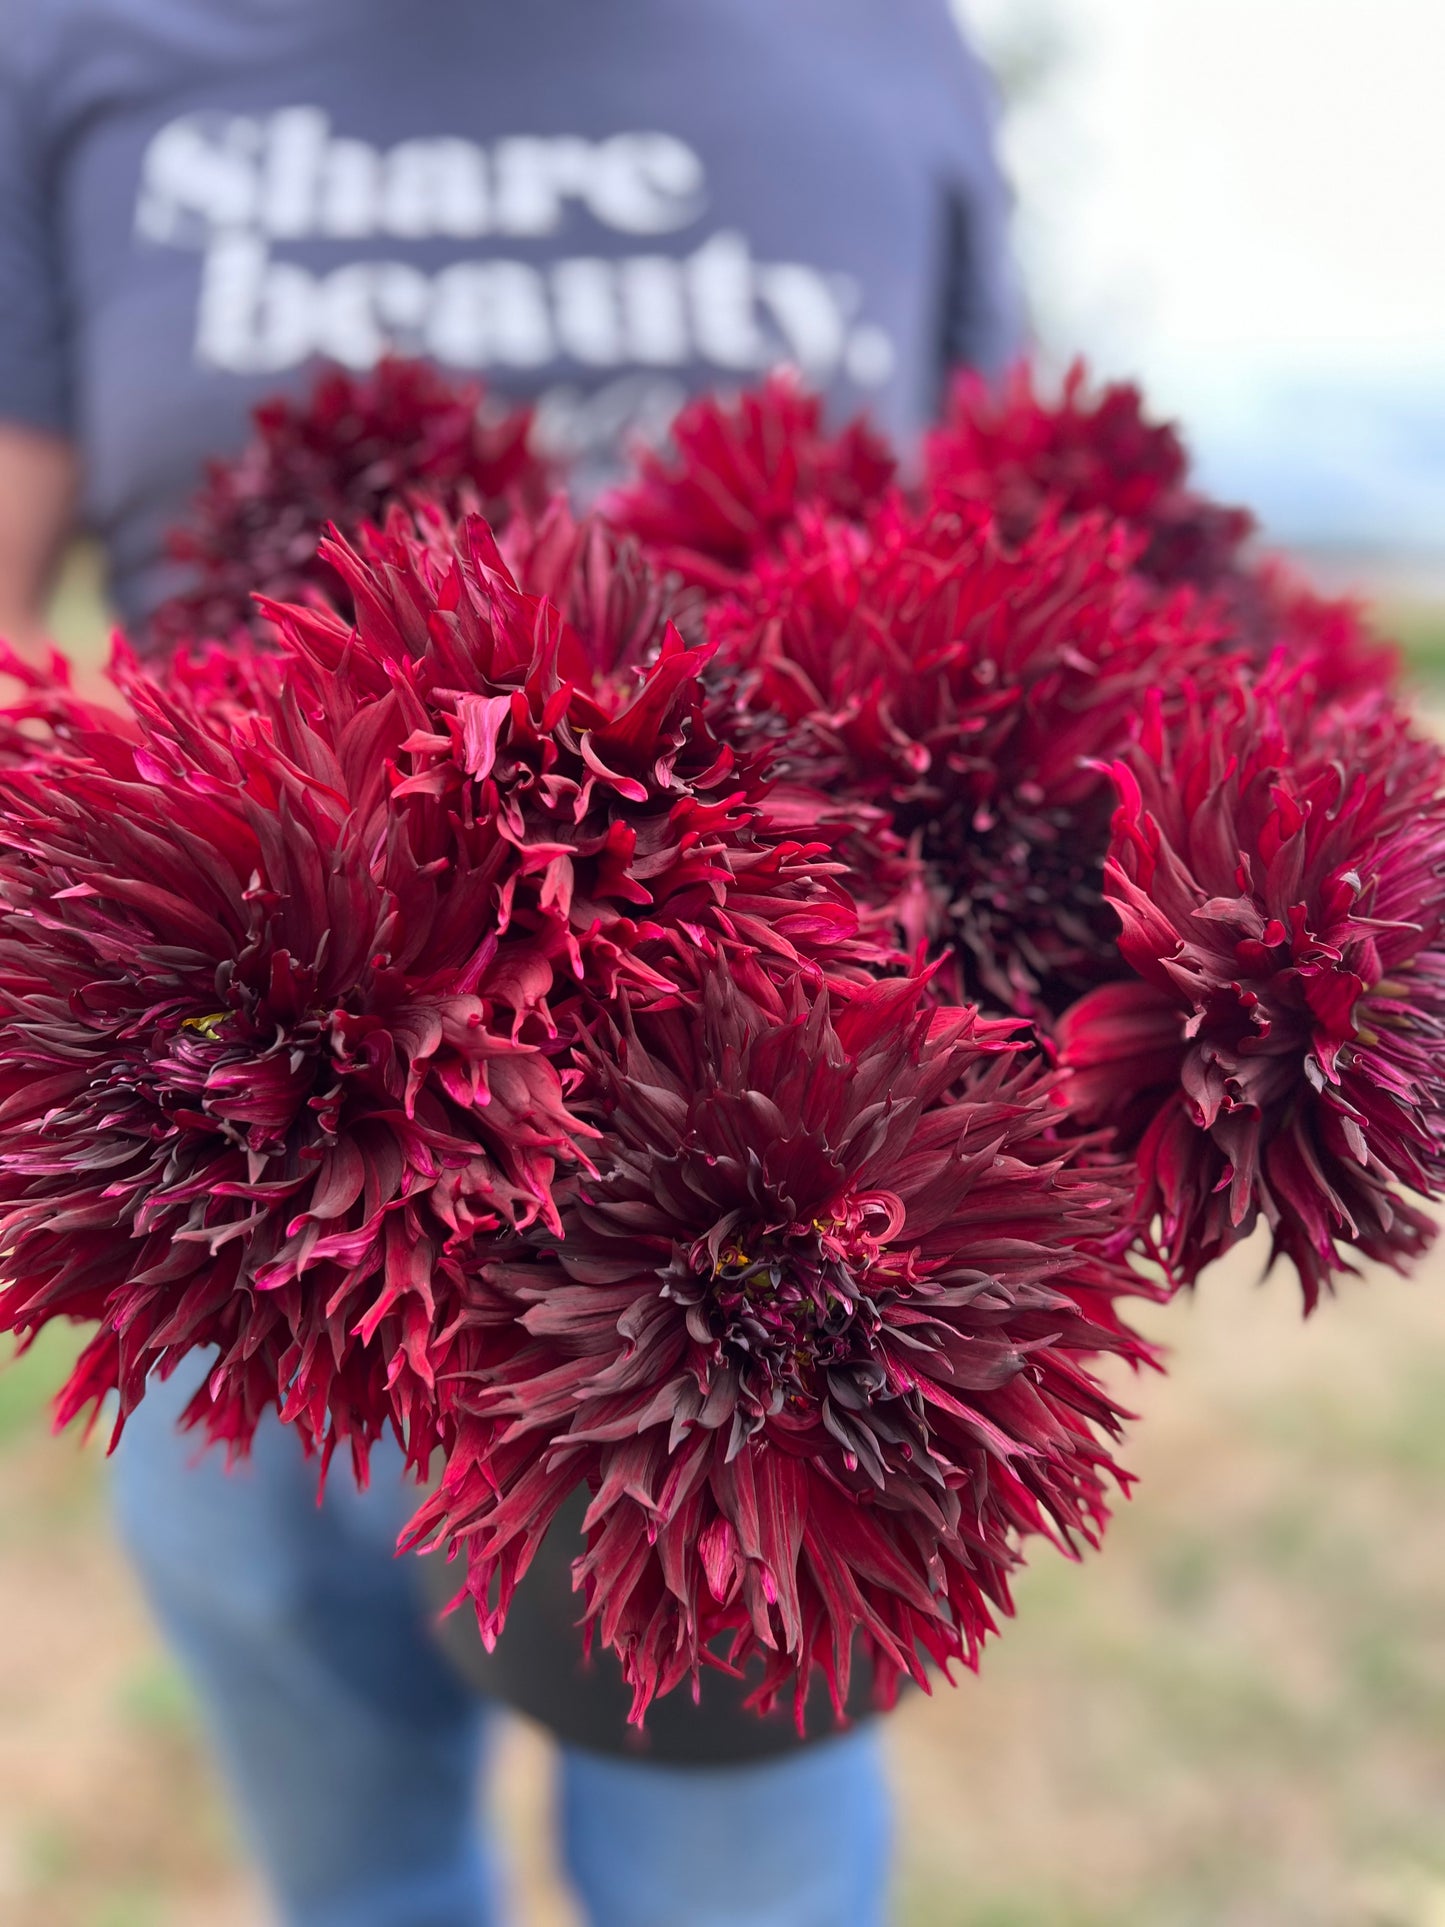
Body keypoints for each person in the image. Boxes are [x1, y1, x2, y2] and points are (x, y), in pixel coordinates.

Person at [0, 4, 1020, 1921]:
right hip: (240, 1244)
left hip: (769, 1264)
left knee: (741, 1877)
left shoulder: (889, 42)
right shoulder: (77, 37)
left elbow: (1009, 551)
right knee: (352, 1865)